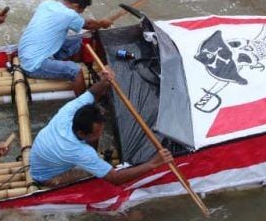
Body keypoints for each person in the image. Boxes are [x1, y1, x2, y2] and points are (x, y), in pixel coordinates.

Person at [30, 69, 173, 187]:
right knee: (94, 175)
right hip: (47, 176)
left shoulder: (69, 111)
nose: (100, 134)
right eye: (96, 133)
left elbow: (92, 92)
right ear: (81, 133)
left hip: (42, 156)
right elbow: (115, 178)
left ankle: (97, 160)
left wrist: (105, 81)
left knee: (94, 151)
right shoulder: (80, 152)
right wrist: (152, 163)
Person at [18, 0, 112, 96]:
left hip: (24, 54)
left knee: (76, 42)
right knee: (76, 70)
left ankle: (63, 67)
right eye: (80, 11)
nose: (78, 15)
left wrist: (98, 23)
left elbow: (85, 23)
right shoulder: (70, 14)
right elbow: (89, 25)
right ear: (76, 6)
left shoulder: (47, 4)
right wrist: (102, 24)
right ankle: (84, 101)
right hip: (33, 66)